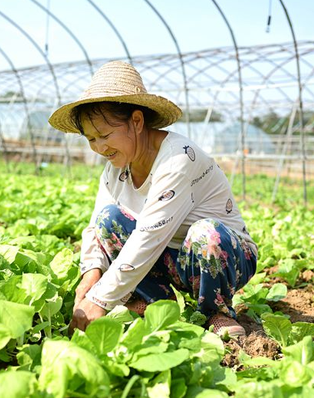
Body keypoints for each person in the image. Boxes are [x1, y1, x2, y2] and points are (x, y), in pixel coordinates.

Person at [48, 61, 258, 337]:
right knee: (108, 219)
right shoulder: (116, 168)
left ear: (136, 121)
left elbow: (150, 235)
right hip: (168, 257)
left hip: (222, 255)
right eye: (91, 139)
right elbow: (95, 227)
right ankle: (156, 304)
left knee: (206, 233)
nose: (99, 147)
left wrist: (100, 299)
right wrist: (91, 273)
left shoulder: (178, 158)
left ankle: (215, 311)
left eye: (105, 135)